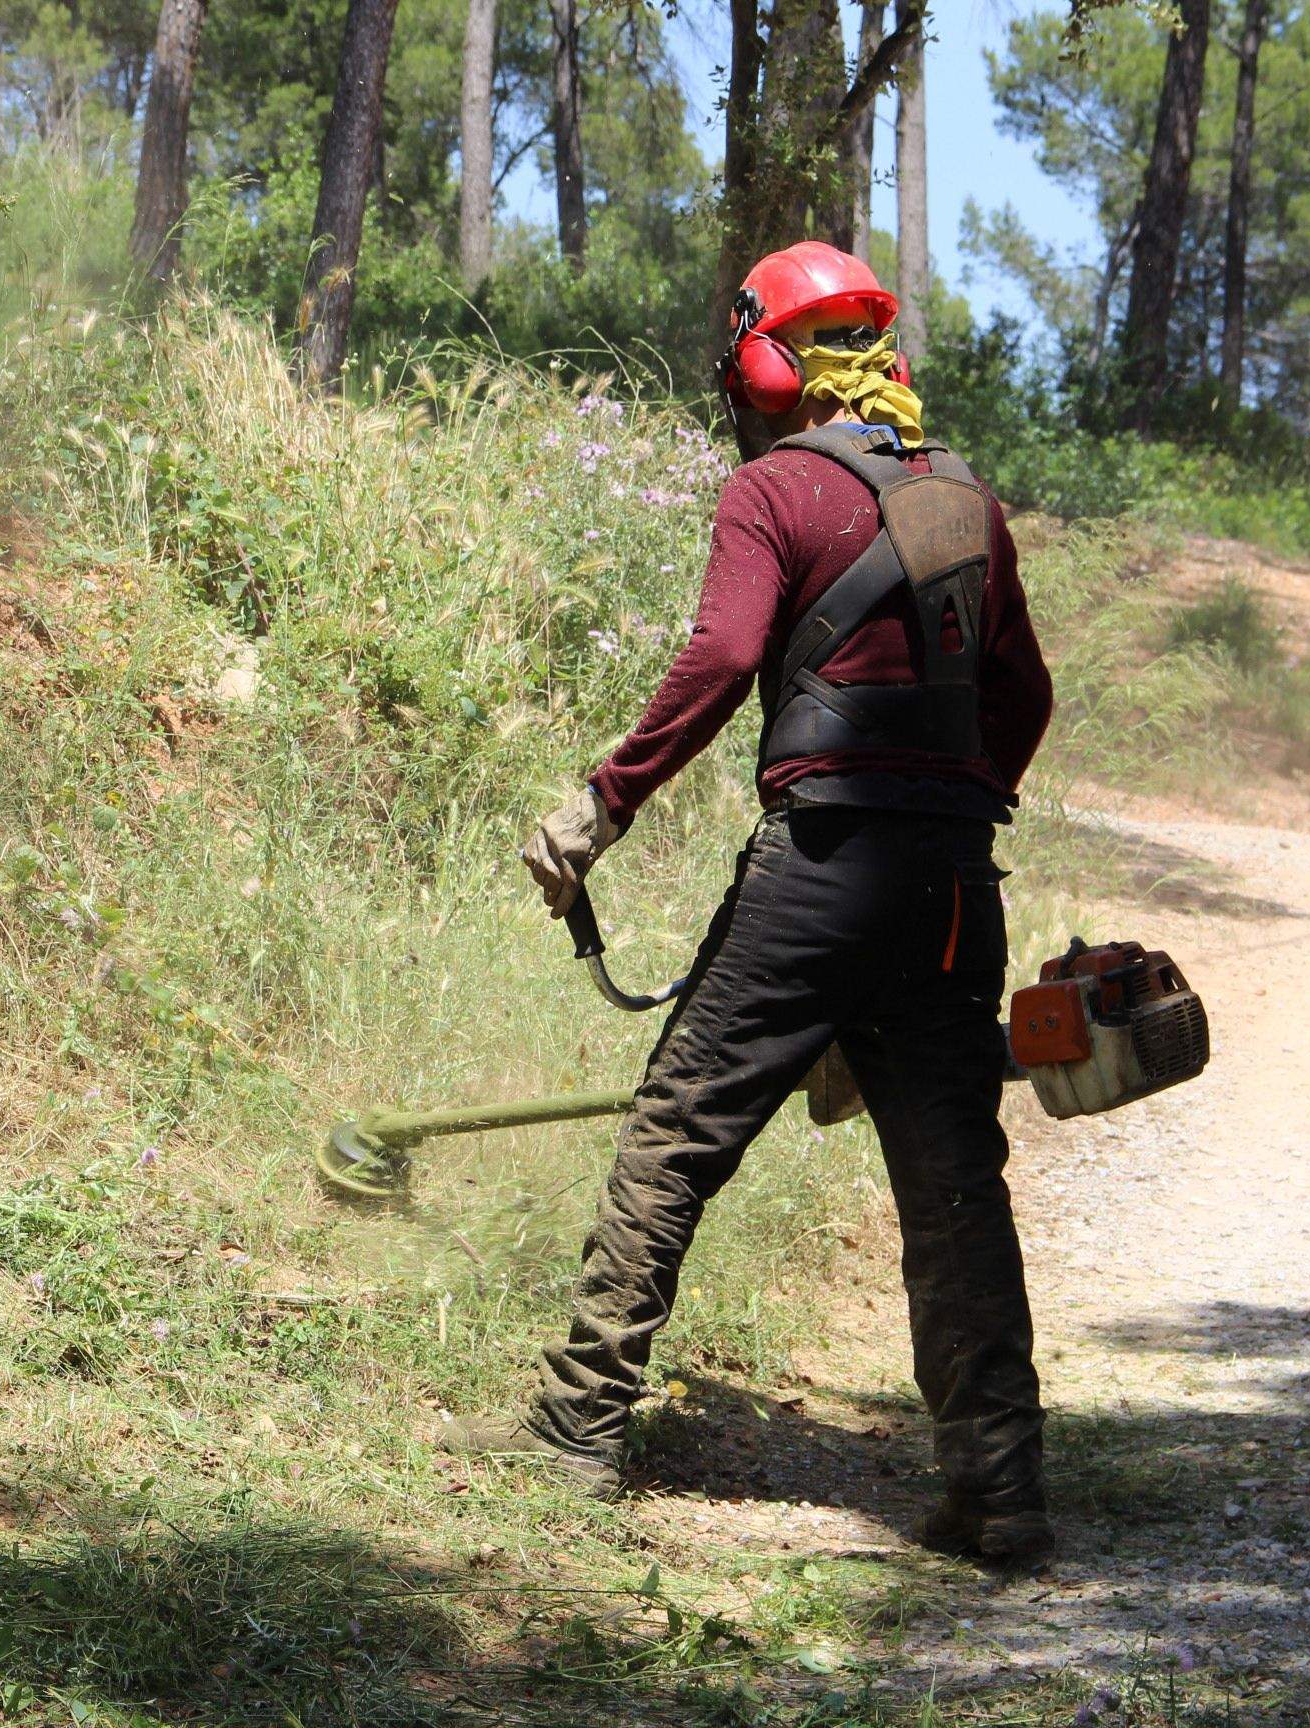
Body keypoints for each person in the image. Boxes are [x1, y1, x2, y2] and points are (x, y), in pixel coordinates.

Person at [440, 242, 1059, 1566]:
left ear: (768, 370)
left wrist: (604, 804)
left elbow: (723, 655)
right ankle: (1000, 1491)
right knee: (956, 1182)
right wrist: (953, 806)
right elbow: (1025, 699)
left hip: (821, 866)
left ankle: (576, 1424)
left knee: (676, 1129)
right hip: (953, 889)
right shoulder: (969, 503)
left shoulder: (772, 488)